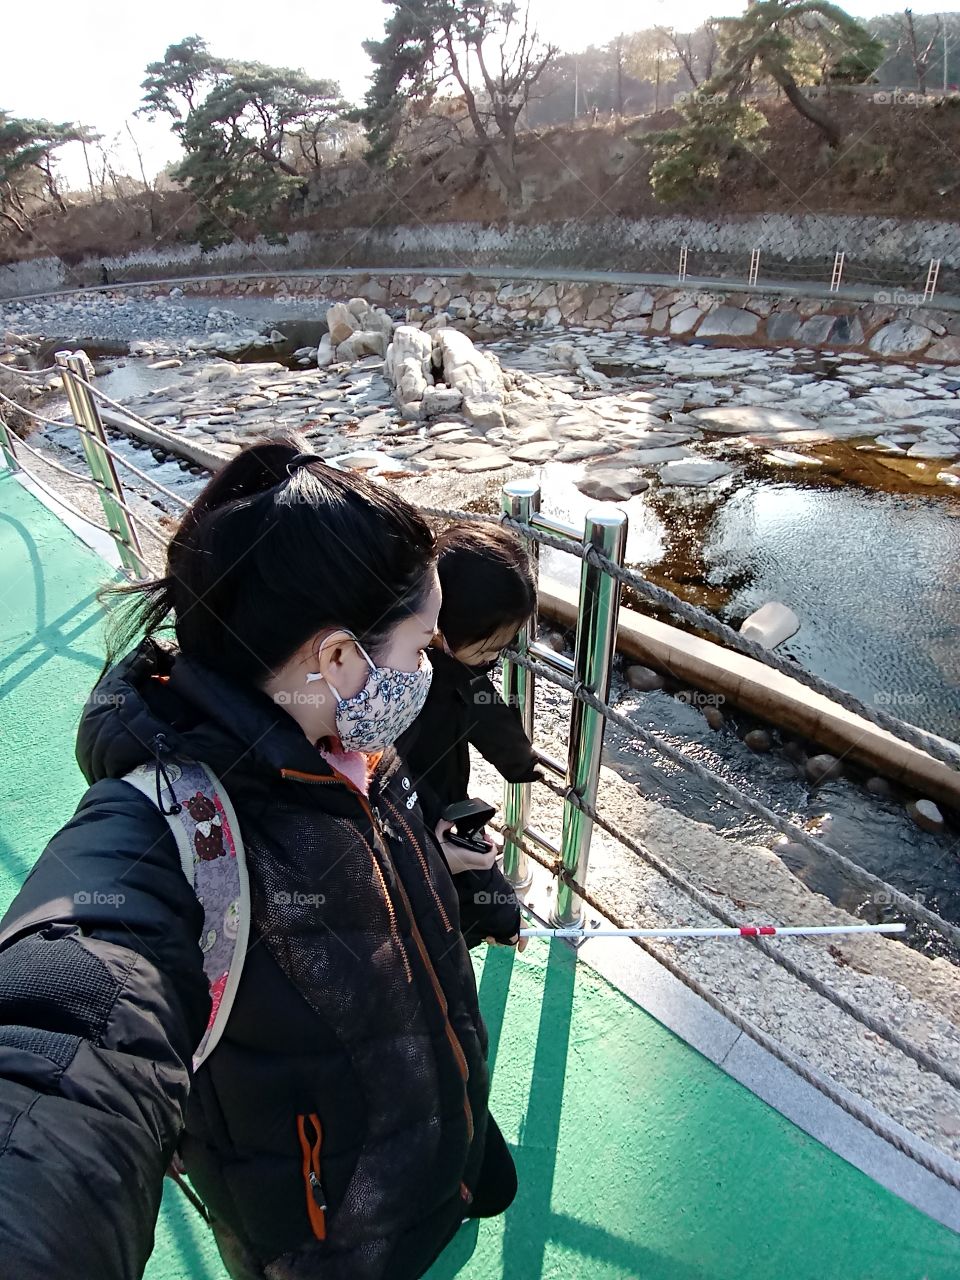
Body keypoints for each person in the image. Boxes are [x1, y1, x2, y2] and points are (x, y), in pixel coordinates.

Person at [0, 439, 518, 1280]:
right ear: (340, 657)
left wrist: (456, 882)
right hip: (323, 1242)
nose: (428, 669)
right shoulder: (162, 835)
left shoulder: (343, 741)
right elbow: (58, 1035)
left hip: (432, 1148)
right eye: (423, 646)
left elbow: (343, 910)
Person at [397, 523, 541, 950]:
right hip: (428, 834)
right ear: (438, 631)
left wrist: (521, 763)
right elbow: (438, 826)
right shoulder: (432, 694)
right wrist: (503, 913)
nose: (493, 661)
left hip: (428, 823)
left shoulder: (437, 668)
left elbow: (486, 710)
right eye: (487, 650)